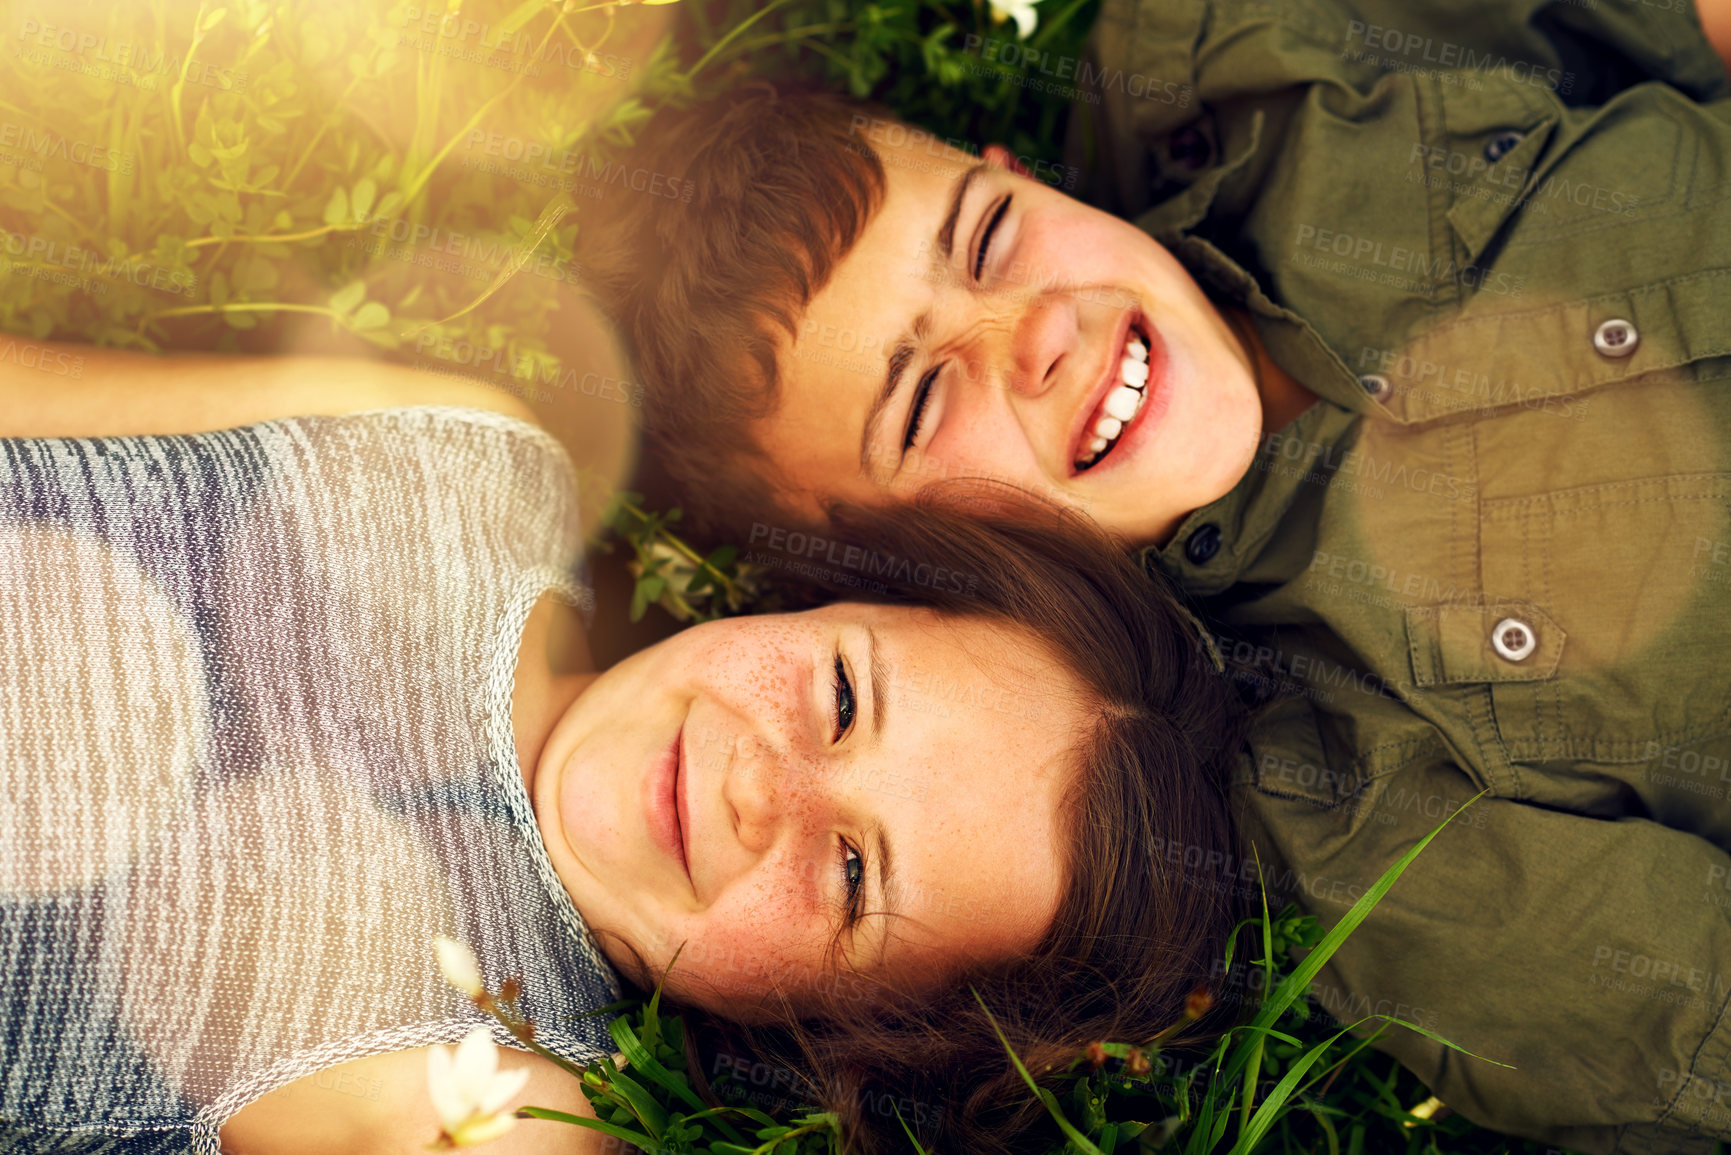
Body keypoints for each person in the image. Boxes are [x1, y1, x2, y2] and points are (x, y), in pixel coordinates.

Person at [575, 3, 1731, 1147]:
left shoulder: (1230, 55)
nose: (1035, 336)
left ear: (1011, 170)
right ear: (892, 563)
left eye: (989, 238)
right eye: (922, 403)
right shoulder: (1366, 822)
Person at [0, 344, 1245, 1155]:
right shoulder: (462, 460)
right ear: (830, 598)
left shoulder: (506, 1100)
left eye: (853, 876)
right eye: (841, 696)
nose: (763, 788)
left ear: (851, 1027)